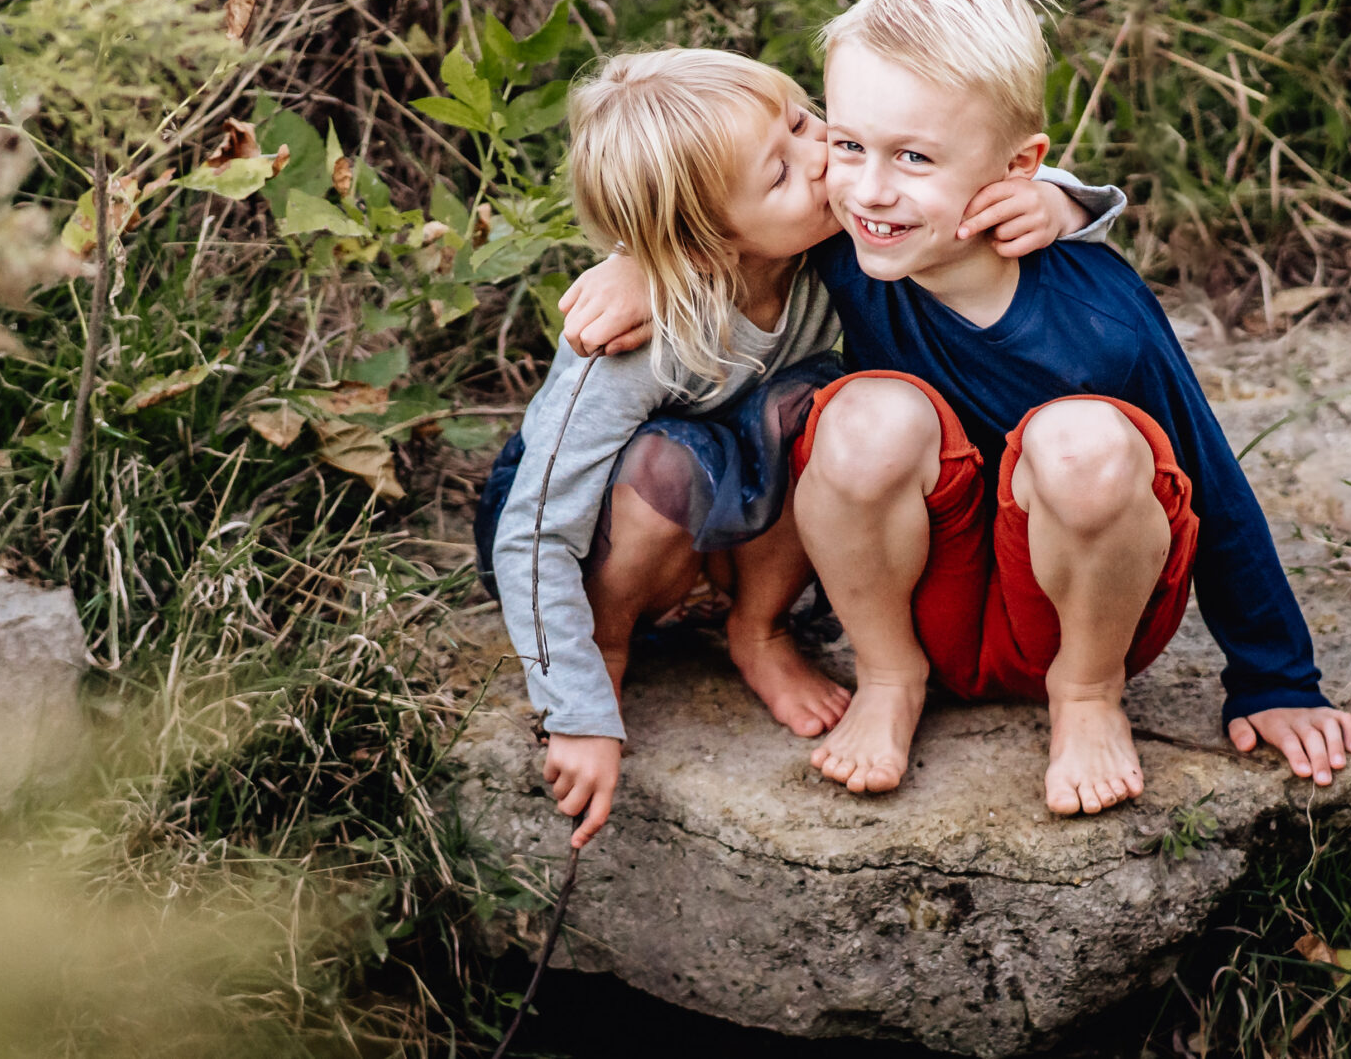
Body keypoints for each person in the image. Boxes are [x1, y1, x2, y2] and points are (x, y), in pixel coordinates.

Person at [559, 0, 1351, 817]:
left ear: (1018, 167)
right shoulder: (854, 239)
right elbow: (711, 205)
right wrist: (641, 263)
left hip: (1076, 614)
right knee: (864, 416)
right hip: (919, 610)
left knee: (1082, 440)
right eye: (849, 143)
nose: (868, 189)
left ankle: (1085, 702)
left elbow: (1217, 489)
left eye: (913, 156)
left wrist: (1277, 678)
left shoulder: (1100, 320)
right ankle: (887, 679)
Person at [480, 47, 1125, 846]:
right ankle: (607, 654)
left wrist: (1056, 204)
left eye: (801, 122)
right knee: (665, 459)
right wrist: (570, 710)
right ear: (708, 239)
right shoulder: (626, 340)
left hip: (741, 507)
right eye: (780, 174)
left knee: (809, 406)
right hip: (610, 534)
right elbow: (536, 526)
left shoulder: (833, 250)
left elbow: (955, 174)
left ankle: (759, 629)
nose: (823, 160)